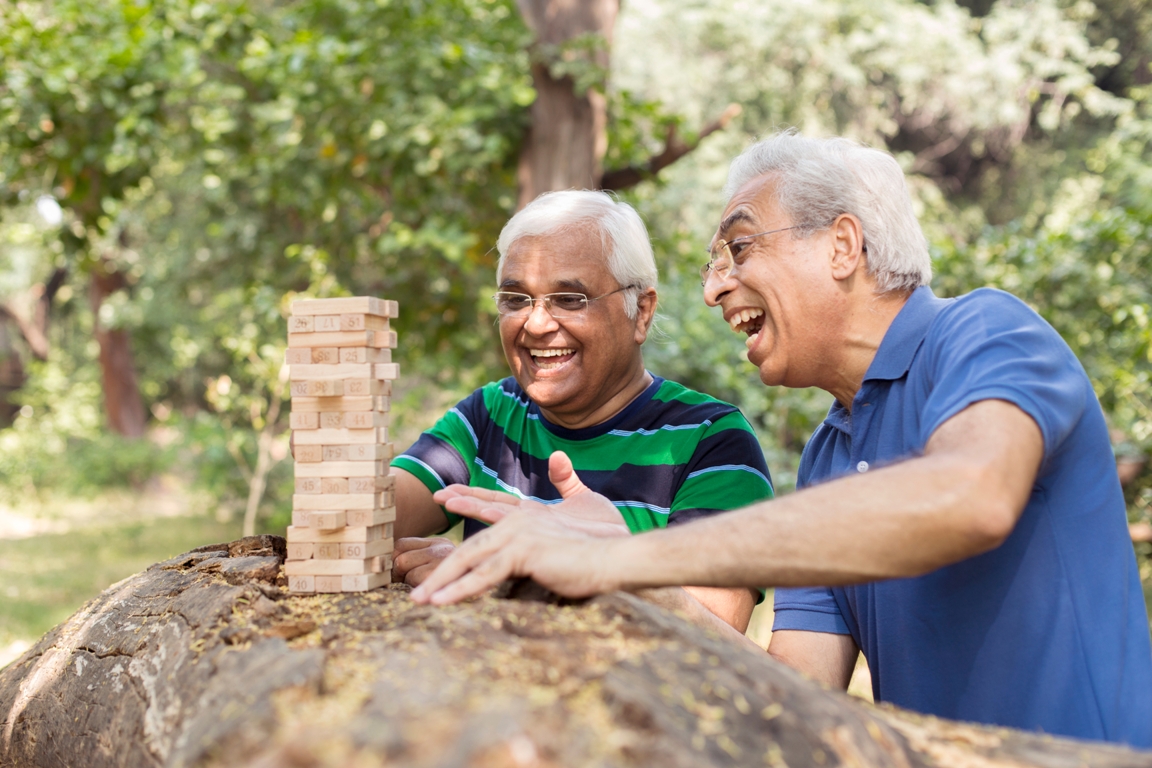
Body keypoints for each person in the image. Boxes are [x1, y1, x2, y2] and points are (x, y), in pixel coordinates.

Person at [411, 132, 1152, 748]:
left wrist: (625, 551)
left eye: (738, 247)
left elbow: (969, 495)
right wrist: (632, 577)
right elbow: (794, 689)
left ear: (842, 245)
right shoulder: (826, 460)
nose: (713, 288)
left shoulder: (986, 332)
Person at [390, 189, 775, 633]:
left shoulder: (714, 443)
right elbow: (376, 519)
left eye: (570, 299)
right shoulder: (490, 414)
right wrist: (336, 457)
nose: (535, 324)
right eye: (516, 299)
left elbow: (712, 636)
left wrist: (503, 581)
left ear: (641, 312)